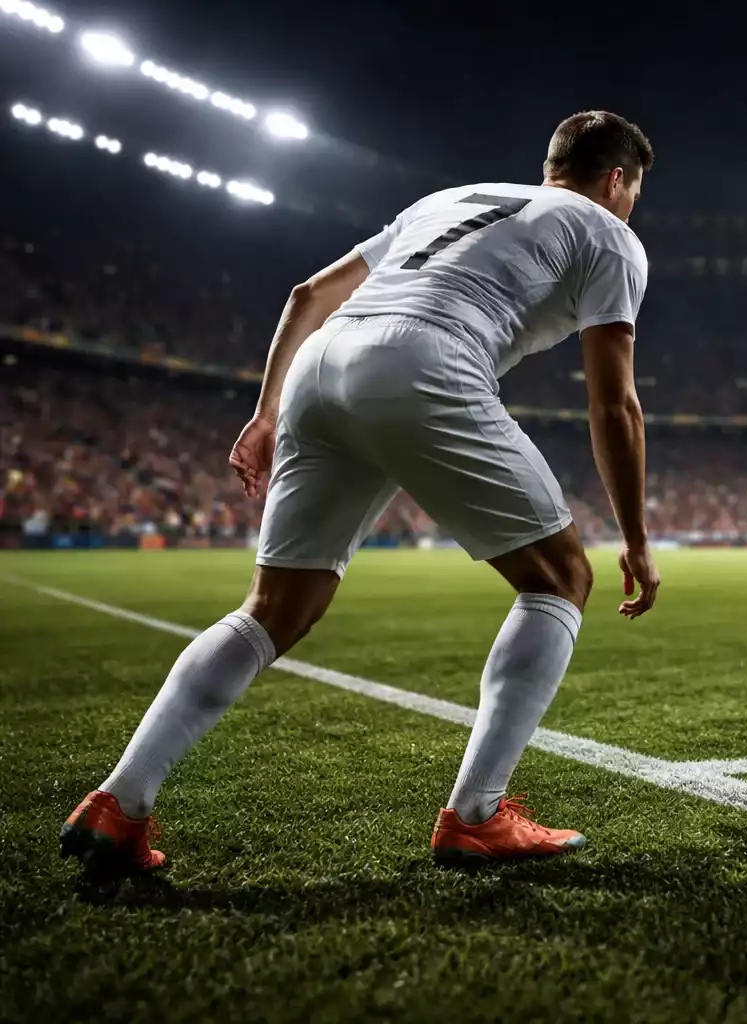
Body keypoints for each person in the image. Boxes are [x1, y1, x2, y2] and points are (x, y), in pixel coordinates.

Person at [60, 110, 660, 871]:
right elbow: (614, 403)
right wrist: (636, 538)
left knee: (273, 610)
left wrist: (265, 412)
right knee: (562, 578)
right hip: (424, 358)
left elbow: (307, 294)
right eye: (634, 191)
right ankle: (476, 815)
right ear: (616, 180)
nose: (631, 205)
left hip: (322, 361)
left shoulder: (454, 197)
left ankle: (118, 802)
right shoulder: (610, 233)